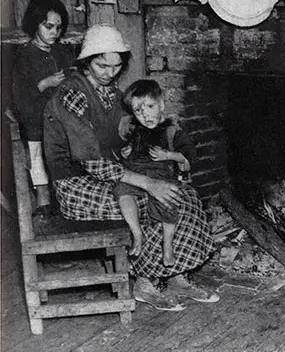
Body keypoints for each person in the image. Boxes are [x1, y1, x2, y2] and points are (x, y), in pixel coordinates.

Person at [43, 24, 219, 311]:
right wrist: (149, 183)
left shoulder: (112, 93)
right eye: (102, 65)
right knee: (151, 198)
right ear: (86, 61)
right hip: (75, 183)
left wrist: (160, 129)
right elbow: (91, 161)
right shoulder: (72, 94)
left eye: (116, 66)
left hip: (112, 171)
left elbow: (130, 129)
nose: (109, 73)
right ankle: (145, 284)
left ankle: (177, 276)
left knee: (181, 193)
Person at [115, 78, 195, 269]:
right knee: (121, 191)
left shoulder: (172, 130)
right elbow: (123, 149)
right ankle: (137, 233)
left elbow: (187, 158)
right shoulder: (133, 128)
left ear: (161, 105)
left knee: (167, 201)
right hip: (136, 172)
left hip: (161, 174)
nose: (145, 115)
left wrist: (169, 154)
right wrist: (124, 152)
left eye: (150, 107)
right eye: (138, 111)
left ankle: (168, 244)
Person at [12, 0, 74, 214]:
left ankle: (66, 199)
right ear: (35, 24)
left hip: (60, 119)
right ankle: (43, 199)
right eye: (49, 27)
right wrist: (45, 83)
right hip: (35, 119)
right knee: (37, 155)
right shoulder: (25, 56)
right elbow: (19, 97)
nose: (54, 33)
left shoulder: (62, 52)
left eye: (58, 28)